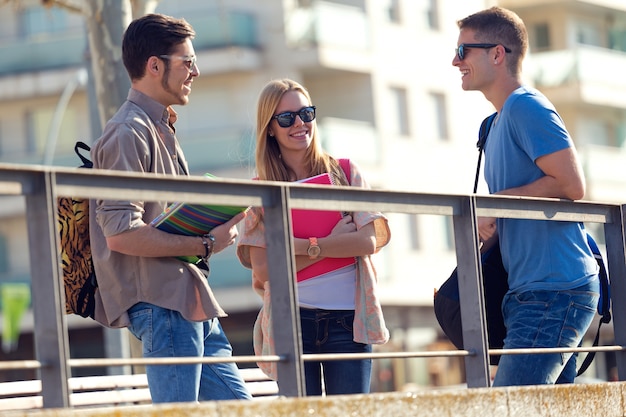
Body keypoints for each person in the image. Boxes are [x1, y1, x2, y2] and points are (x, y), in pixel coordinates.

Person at [89, 13, 251, 402]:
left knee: (242, 410)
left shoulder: (159, 126)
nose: (196, 71)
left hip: (187, 300)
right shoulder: (128, 132)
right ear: (154, 65)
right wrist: (205, 243)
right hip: (164, 308)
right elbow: (121, 234)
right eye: (187, 62)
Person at [452, 7, 600, 386]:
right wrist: (496, 221)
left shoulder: (526, 106)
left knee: (507, 407)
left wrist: (496, 203)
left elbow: (570, 184)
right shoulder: (496, 122)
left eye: (464, 51)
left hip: (553, 291)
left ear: (497, 54)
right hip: (533, 291)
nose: (455, 61)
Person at [236, 78, 390, 396]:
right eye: (286, 117)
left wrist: (293, 250)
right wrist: (328, 244)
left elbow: (367, 241)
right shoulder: (262, 191)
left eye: (306, 113)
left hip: (349, 322)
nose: (299, 123)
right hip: (292, 320)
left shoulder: (346, 173)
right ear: (270, 128)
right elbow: (265, 271)